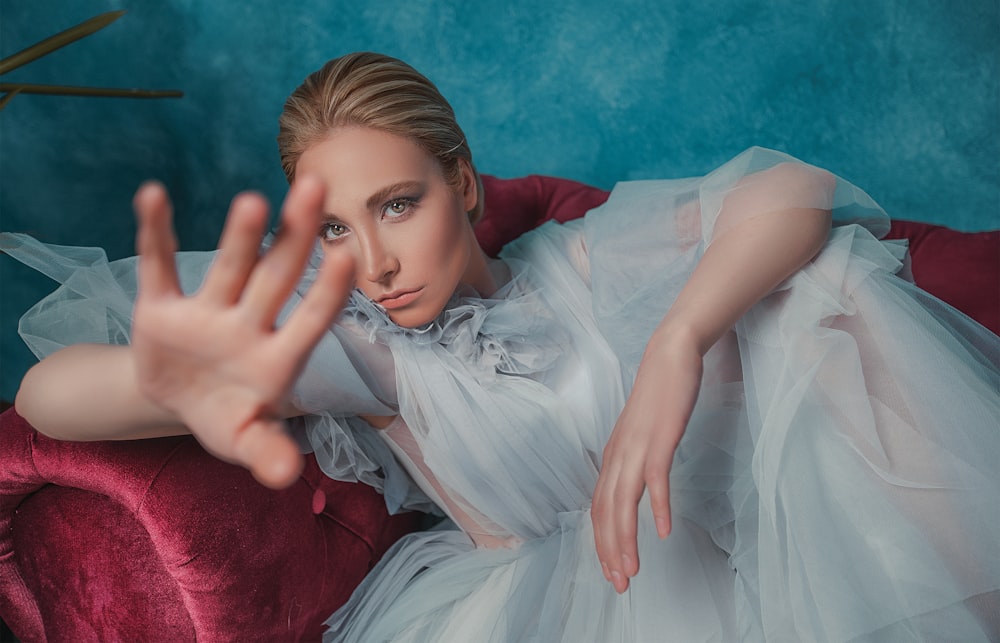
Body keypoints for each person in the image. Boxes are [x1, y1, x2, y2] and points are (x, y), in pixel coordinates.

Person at [4, 52, 999, 641]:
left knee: (828, 290)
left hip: (740, 543)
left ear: (465, 187)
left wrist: (677, 345)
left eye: (398, 205)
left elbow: (794, 191)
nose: (378, 259)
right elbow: (49, 398)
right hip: (561, 606)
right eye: (338, 228)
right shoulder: (366, 352)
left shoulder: (576, 259)